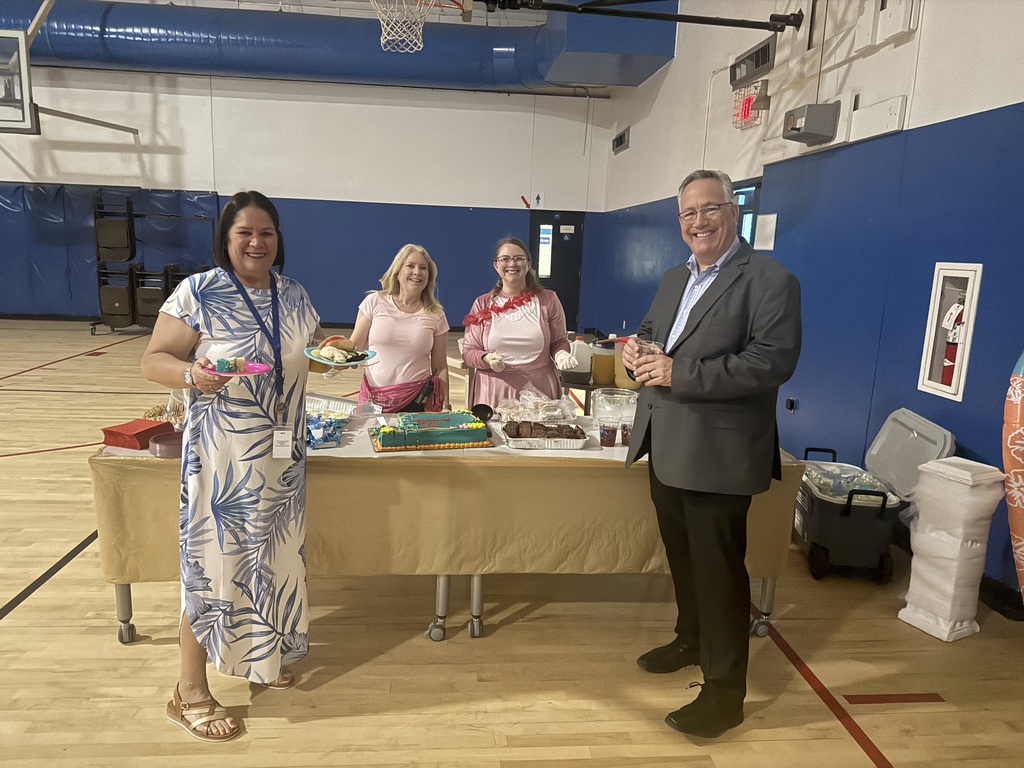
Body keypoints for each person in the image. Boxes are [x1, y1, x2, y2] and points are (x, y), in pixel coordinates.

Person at [622, 170, 802, 738]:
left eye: (709, 209)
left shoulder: (771, 280)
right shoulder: (678, 276)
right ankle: (690, 639)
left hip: (719, 453)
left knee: (720, 571)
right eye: (687, 215)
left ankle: (725, 694)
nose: (698, 222)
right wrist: (638, 351)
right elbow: (654, 331)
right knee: (682, 556)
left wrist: (679, 372)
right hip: (665, 440)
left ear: (734, 211)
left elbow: (771, 362)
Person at [141, 191, 322, 743]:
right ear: (226, 238)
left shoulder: (292, 295)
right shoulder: (198, 292)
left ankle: (262, 657)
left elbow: (308, 353)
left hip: (283, 456)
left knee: (274, 559)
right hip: (223, 461)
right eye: (244, 232)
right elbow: (154, 361)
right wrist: (192, 375)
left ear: (278, 239)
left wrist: (342, 351)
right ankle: (188, 690)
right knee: (213, 566)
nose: (256, 242)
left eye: (266, 232)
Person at [461, 237, 577, 408]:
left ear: (528, 264)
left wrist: (561, 354)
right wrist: (486, 358)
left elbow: (559, 341)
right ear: (496, 265)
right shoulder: (482, 304)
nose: (512, 264)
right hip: (493, 392)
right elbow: (469, 351)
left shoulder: (548, 300)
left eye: (518, 258)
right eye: (505, 259)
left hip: (539, 392)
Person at [350, 244, 450, 412]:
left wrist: (446, 405)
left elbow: (440, 365)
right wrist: (334, 363)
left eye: (423, 268)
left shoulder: (436, 314)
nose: (417, 272)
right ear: (397, 272)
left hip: (417, 400)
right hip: (373, 400)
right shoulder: (374, 302)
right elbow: (354, 349)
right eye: (410, 266)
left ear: (429, 276)